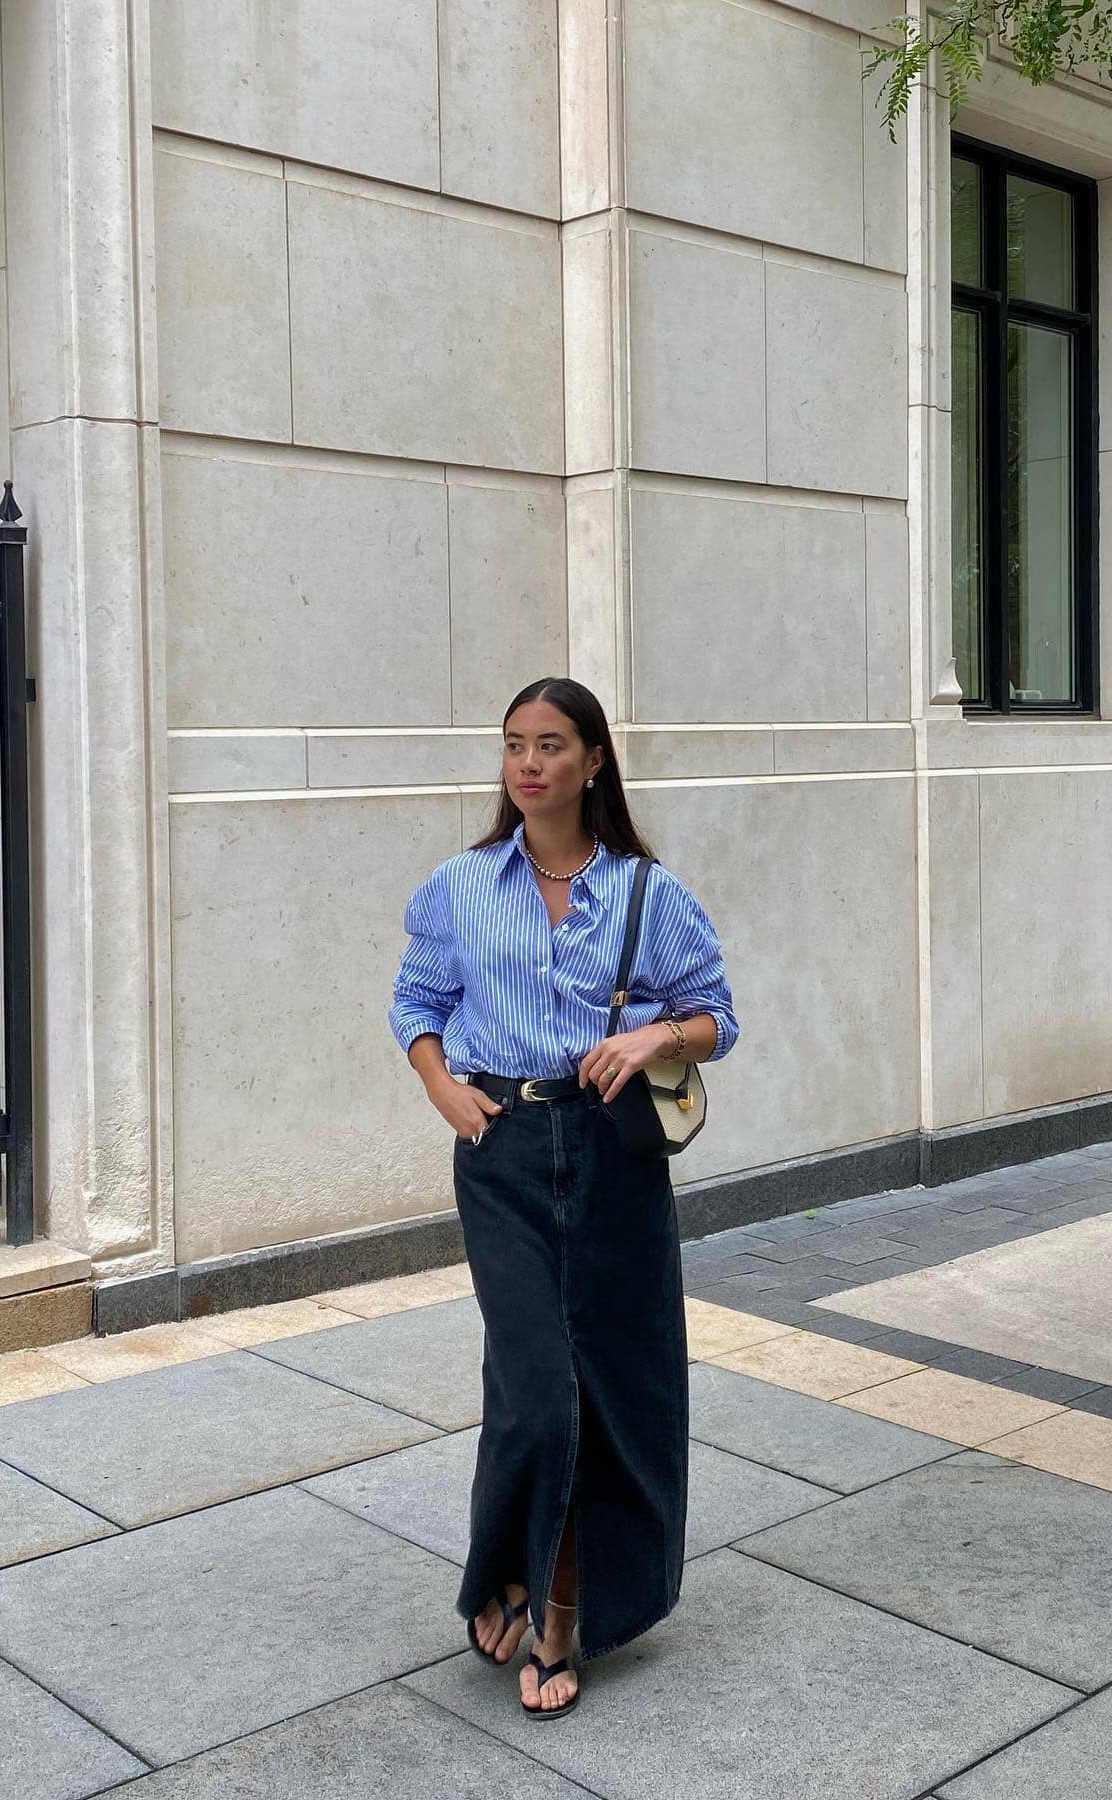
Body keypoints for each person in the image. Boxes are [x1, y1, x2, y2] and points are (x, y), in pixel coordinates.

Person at [386, 676, 740, 1719]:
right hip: (501, 1150)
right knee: (537, 1388)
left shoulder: (644, 893)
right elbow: (416, 1002)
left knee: (612, 1390)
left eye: (550, 744)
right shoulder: (460, 885)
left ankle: (556, 1609)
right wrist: (443, 1085)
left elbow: (715, 1014)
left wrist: (648, 1037)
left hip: (611, 1156)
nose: (529, 764)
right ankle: (508, 1566)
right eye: (513, 746)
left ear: (592, 761)